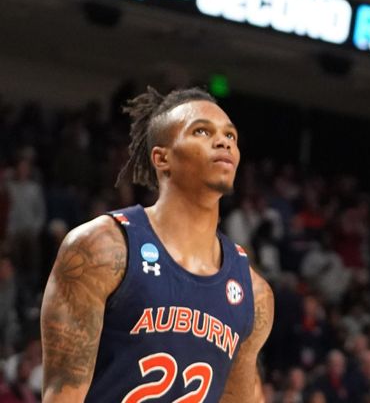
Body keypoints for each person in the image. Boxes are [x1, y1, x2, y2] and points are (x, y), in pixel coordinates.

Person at [40, 87, 274, 402]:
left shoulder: (254, 293)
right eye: (202, 131)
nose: (224, 142)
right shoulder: (102, 249)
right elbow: (62, 394)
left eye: (230, 136)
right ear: (162, 158)